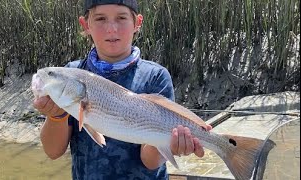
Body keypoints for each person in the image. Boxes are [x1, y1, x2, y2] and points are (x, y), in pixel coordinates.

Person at [33, 0, 212, 179]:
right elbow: (53, 151)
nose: (111, 28)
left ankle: (226, 147)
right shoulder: (74, 73)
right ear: (86, 25)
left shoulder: (155, 76)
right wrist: (56, 116)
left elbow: (149, 161)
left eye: (121, 17)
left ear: (137, 23)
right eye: (101, 19)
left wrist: (172, 144)